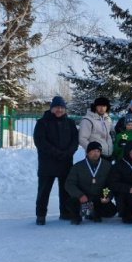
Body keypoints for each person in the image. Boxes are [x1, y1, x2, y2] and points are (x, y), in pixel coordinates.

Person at [33, 96, 79, 225]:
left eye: (62, 107)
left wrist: (68, 152)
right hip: (48, 163)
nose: (59, 110)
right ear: (51, 108)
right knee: (44, 191)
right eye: (57, 107)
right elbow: (40, 142)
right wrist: (57, 153)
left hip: (65, 162)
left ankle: (65, 212)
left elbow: (75, 140)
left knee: (65, 190)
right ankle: (41, 215)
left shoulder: (70, 123)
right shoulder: (42, 123)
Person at [65, 141, 117, 224]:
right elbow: (69, 184)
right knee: (70, 203)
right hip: (83, 197)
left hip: (98, 197)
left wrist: (106, 195)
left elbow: (110, 184)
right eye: (93, 151)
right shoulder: (78, 166)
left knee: (111, 211)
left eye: (98, 151)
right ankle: (78, 215)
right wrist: (80, 195)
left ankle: (93, 212)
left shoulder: (107, 166)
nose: (95, 154)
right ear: (88, 152)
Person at [109, 141, 132, 224]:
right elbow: (113, 183)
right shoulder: (118, 165)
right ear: (128, 152)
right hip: (124, 196)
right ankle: (125, 213)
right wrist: (130, 189)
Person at [78, 97, 115, 161]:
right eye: (99, 106)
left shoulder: (107, 119)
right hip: (95, 156)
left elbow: (112, 132)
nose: (102, 108)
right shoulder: (88, 120)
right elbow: (82, 139)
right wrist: (92, 150)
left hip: (108, 154)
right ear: (95, 107)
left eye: (104, 106)